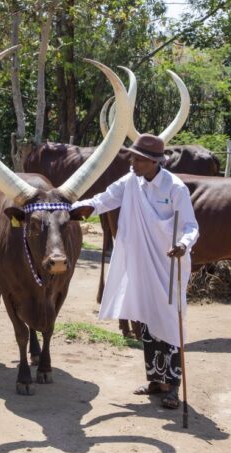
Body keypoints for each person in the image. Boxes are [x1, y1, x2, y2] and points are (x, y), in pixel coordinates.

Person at [69, 133, 199, 409]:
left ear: (155, 162)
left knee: (170, 320)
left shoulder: (175, 188)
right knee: (147, 319)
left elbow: (190, 226)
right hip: (140, 263)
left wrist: (183, 244)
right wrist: (77, 208)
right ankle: (155, 381)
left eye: (139, 160)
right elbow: (104, 199)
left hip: (168, 264)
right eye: (133, 158)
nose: (134, 163)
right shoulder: (130, 182)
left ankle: (172, 387)